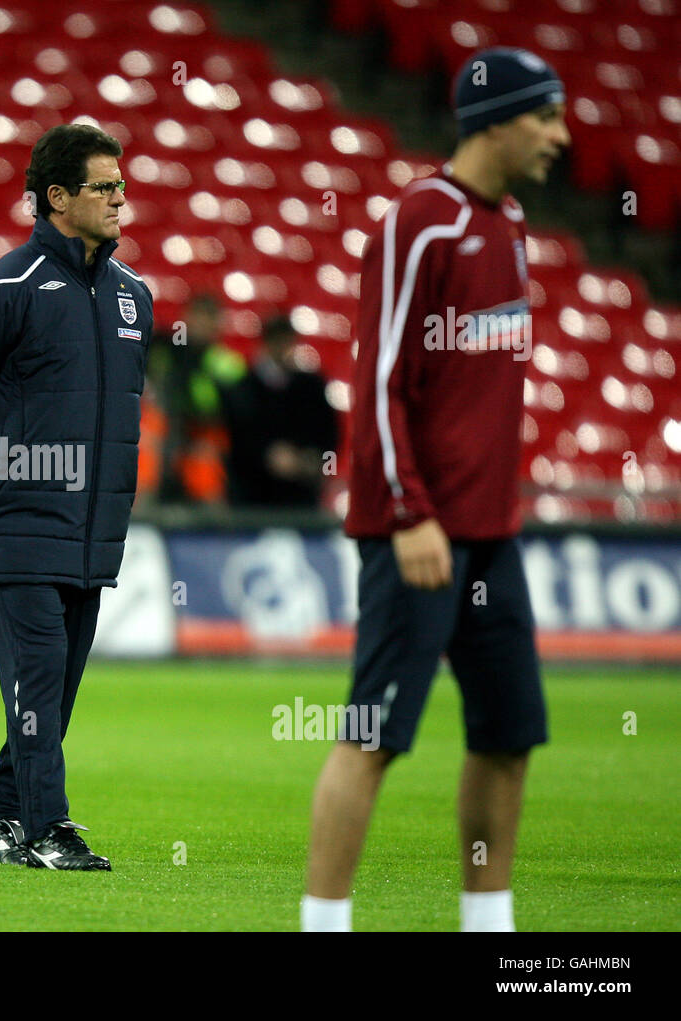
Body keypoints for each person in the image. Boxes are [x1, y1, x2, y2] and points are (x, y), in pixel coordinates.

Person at [301, 48, 570, 932]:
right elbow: (377, 380)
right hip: (415, 532)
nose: (561, 136)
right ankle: (323, 924)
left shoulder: (512, 223)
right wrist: (412, 512)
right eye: (545, 116)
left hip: (492, 533)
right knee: (372, 735)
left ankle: (490, 926)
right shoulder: (419, 221)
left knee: (509, 736)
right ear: (494, 121)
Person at [0, 123, 153, 871]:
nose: (119, 199)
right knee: (41, 677)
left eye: (121, 185)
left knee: (52, 692)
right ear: (57, 197)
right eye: (103, 187)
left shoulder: (133, 297)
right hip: (18, 527)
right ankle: (48, 829)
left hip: (92, 532)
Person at [220, 315, 337, 509]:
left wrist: (309, 461)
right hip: (252, 498)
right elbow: (236, 440)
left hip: (301, 497)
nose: (283, 347)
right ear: (266, 342)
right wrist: (267, 457)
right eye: (277, 340)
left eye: (286, 340)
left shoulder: (312, 387)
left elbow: (329, 438)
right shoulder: (244, 389)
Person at [145, 293, 243, 502]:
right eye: (198, 316)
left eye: (208, 318)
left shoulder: (228, 362)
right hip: (169, 429)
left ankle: (214, 514)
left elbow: (234, 414)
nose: (201, 324)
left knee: (205, 460)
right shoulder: (168, 350)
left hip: (204, 433)